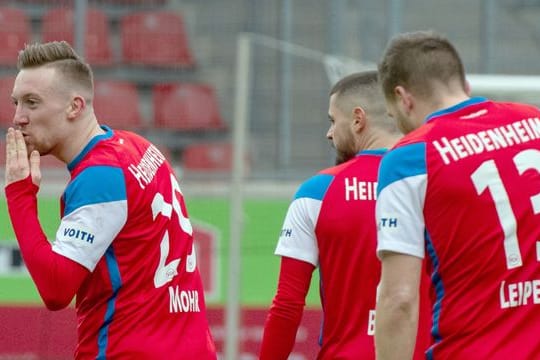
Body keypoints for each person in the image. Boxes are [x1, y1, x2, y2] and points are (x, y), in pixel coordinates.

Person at [4, 41, 216, 359]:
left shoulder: (99, 176)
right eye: (16, 102)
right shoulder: (139, 147)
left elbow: (56, 290)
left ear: (74, 107)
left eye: (32, 103)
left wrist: (19, 195)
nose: (19, 117)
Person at [375, 30, 540, 360]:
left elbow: (400, 299)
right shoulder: (534, 121)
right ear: (465, 86)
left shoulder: (408, 159)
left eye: (395, 117)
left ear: (403, 98)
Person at [259, 71, 431, 359]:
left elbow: (287, 304)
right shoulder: (432, 182)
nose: (329, 133)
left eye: (332, 120)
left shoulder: (316, 193)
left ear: (357, 119)